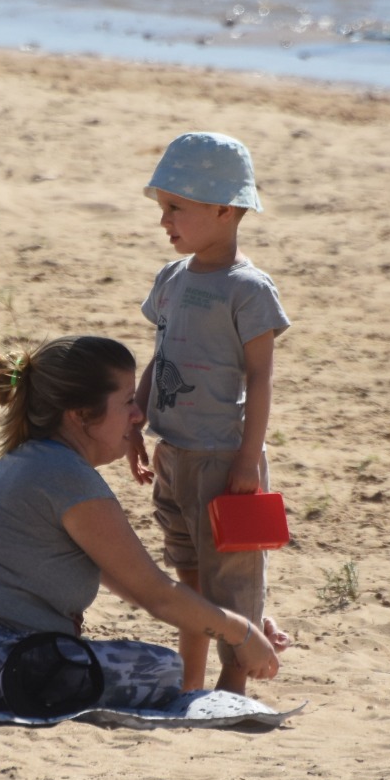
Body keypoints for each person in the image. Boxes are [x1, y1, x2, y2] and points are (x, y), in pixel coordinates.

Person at [0, 335, 281, 715]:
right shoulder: (66, 476)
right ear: (81, 415)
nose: (138, 414)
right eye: (127, 401)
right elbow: (157, 595)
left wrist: (237, 621)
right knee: (157, 669)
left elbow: (139, 590)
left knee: (132, 666)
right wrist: (242, 633)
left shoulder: (38, 460)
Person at [128, 132, 291, 694]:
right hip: (172, 453)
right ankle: (191, 685)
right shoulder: (171, 279)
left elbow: (261, 377)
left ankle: (231, 689)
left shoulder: (248, 289)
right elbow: (162, 354)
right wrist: (136, 419)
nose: (164, 220)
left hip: (223, 459)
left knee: (233, 583)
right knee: (190, 579)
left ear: (224, 209)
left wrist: (248, 459)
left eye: (176, 207)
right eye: (162, 207)